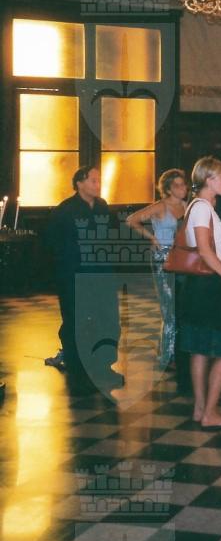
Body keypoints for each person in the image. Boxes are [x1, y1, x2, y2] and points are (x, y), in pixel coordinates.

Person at [45, 166, 123, 391]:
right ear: (79, 183)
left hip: (102, 274)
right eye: (93, 180)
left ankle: (103, 367)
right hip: (75, 276)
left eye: (99, 180)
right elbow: (53, 245)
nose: (98, 185)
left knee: (107, 319)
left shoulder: (102, 206)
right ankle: (79, 370)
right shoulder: (65, 210)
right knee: (77, 321)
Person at [180, 156, 221, 429]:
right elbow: (204, 249)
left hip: (198, 285)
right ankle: (210, 413)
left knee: (200, 349)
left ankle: (200, 409)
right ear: (209, 180)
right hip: (210, 285)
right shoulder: (203, 208)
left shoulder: (198, 206)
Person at [126, 169, 187, 368]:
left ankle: (178, 352)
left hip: (182, 258)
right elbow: (131, 220)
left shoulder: (186, 206)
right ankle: (167, 355)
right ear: (168, 189)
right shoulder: (161, 206)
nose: (183, 188)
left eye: (183, 184)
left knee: (181, 305)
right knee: (169, 307)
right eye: (177, 185)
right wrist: (152, 237)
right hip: (163, 258)